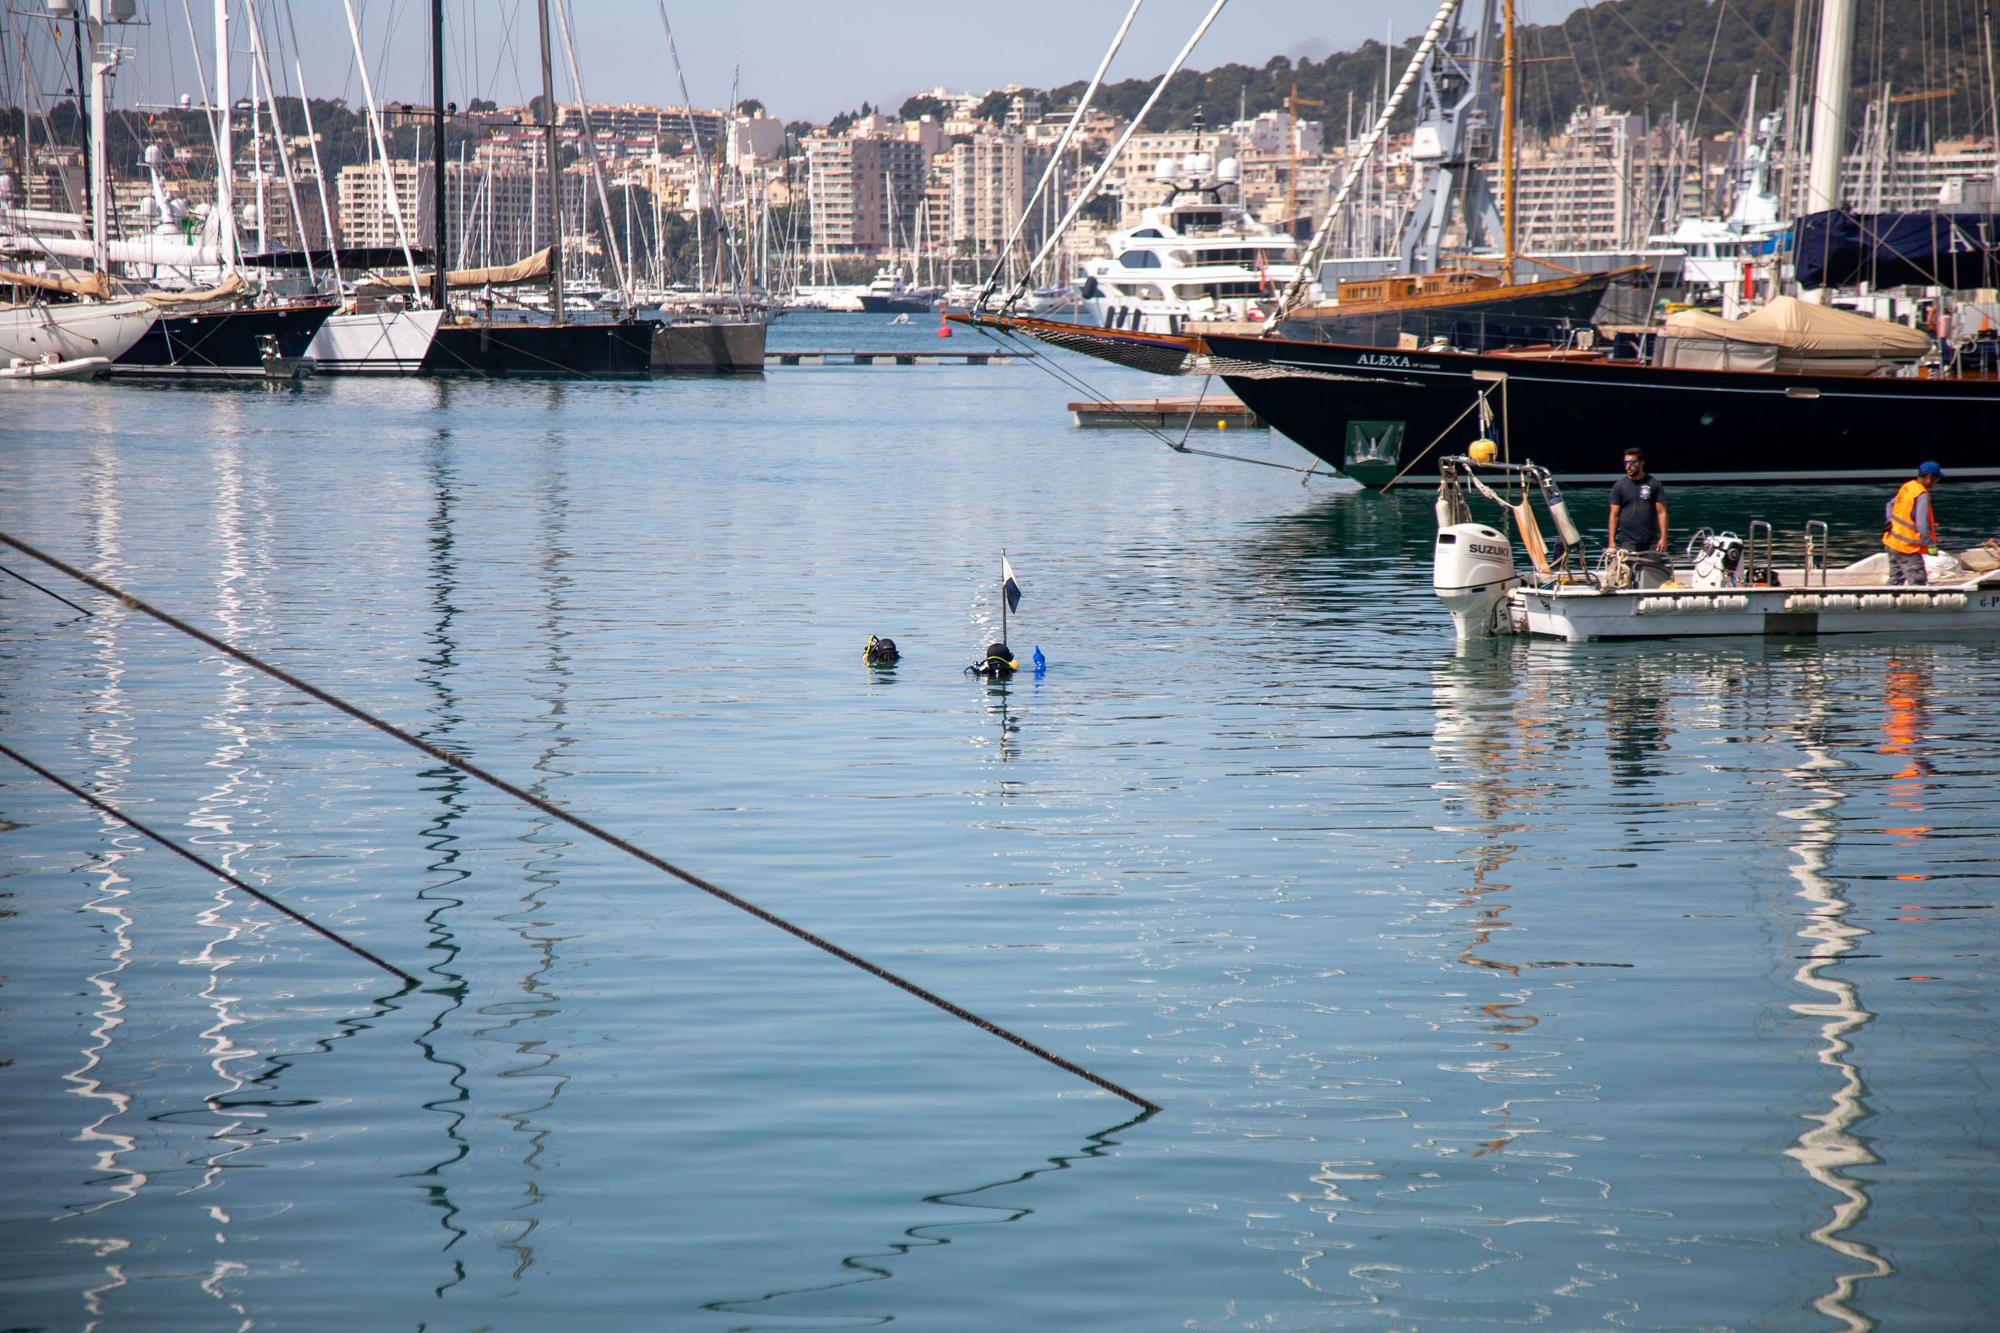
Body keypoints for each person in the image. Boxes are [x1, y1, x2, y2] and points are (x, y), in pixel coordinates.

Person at [1882, 461, 1944, 585]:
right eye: (1936, 478)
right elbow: (1921, 524)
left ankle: (1886, 601)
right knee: (1918, 581)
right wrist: (1931, 545)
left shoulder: (1908, 487)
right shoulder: (1922, 495)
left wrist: (1889, 520)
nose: (1937, 482)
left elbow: (1889, 505)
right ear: (1929, 477)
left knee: (1895, 579)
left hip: (1892, 542)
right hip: (1907, 548)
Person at [1608, 448, 1668, 553]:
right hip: (1627, 541)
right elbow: (1614, 515)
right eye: (1626, 463)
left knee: (1651, 569)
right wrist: (1611, 541)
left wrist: (1664, 538)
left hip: (1651, 541)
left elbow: (1661, 512)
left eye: (1632, 463)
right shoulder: (1619, 486)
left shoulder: (1654, 484)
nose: (1628, 466)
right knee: (1627, 568)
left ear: (1641, 463)